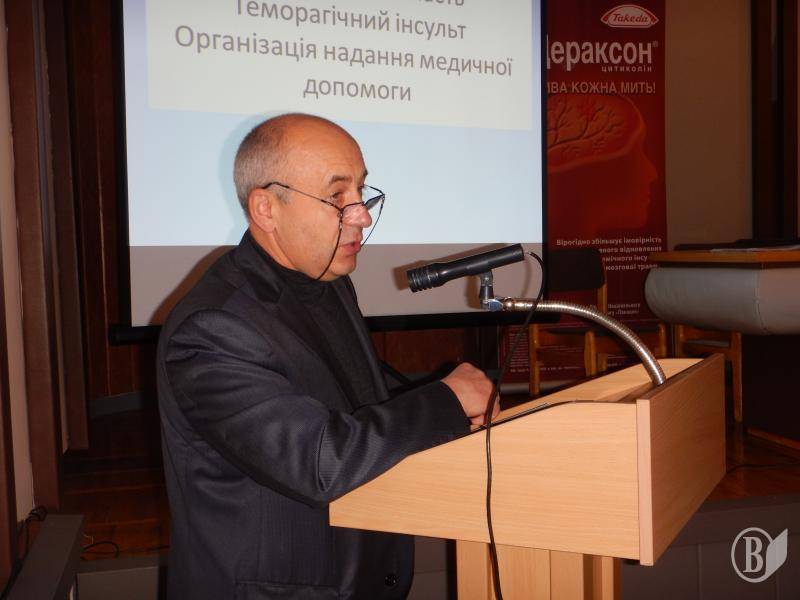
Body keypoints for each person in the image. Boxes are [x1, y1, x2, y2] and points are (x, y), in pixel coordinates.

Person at [157, 113, 495, 599]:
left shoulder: (327, 282)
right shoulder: (212, 329)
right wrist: (445, 400)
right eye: (337, 196)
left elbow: (354, 395)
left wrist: (456, 410)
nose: (362, 216)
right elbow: (319, 461)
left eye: (362, 191)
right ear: (266, 209)